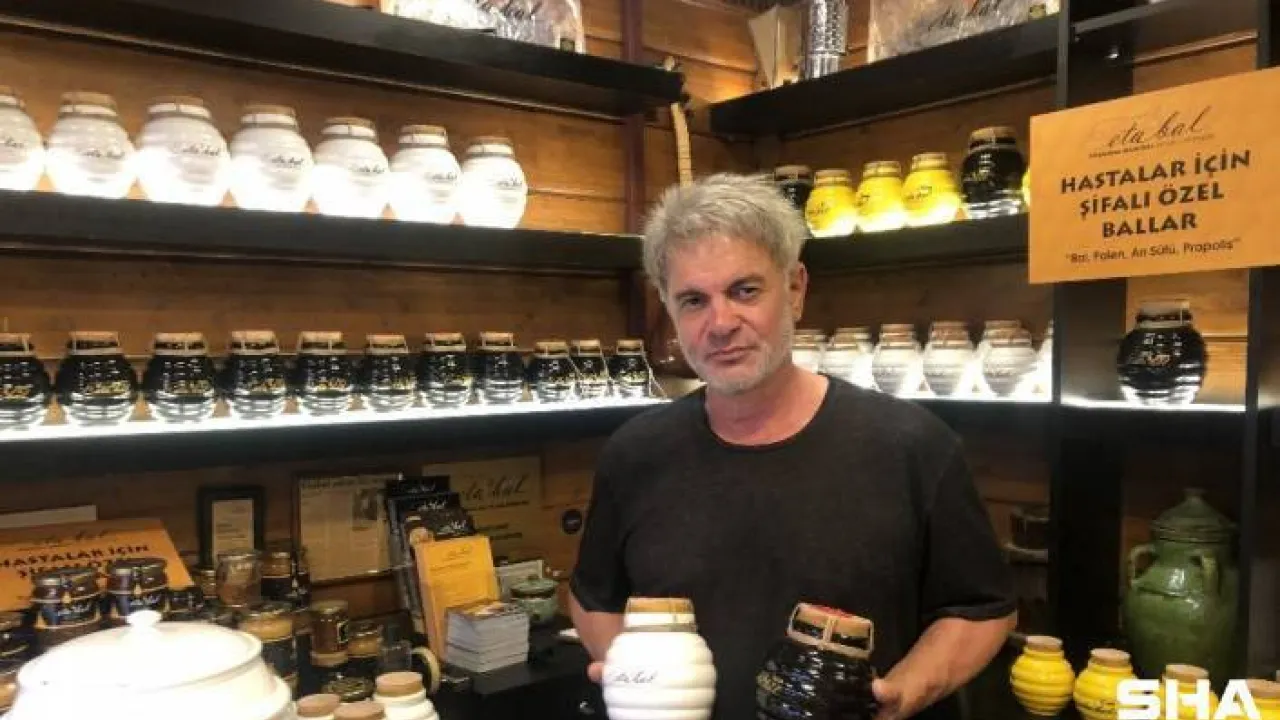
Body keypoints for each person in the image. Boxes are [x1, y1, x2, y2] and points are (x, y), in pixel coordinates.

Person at [569, 173, 1016, 720]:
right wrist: (632, 677)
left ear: (796, 288)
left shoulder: (912, 445)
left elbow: (981, 609)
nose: (720, 323)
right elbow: (593, 598)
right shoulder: (635, 454)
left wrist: (906, 691)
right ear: (668, 307)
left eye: (745, 290)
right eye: (693, 300)